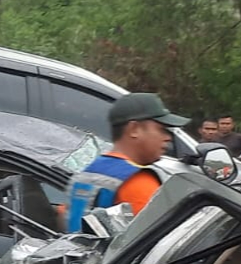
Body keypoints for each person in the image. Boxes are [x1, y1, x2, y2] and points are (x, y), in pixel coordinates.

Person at [65, 92, 188, 231]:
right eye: (162, 129)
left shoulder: (85, 174)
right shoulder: (139, 182)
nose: (168, 138)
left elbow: (64, 216)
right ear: (134, 129)